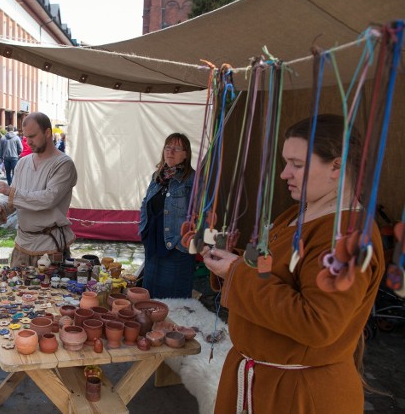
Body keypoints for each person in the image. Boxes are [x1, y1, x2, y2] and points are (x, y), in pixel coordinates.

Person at [201, 114, 384, 414]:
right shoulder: (297, 215)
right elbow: (272, 272)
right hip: (261, 382)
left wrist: (236, 272)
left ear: (337, 167)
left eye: (297, 165)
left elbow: (316, 322)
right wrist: (228, 257)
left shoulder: (348, 236)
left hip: (299, 397)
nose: (284, 174)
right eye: (286, 163)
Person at [0, 112, 78, 268]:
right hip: (22, 246)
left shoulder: (63, 164)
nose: (28, 142)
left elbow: (48, 199)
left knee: (49, 293)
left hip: (50, 247)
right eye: (25, 137)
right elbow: (16, 201)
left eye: (32, 136)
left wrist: (10, 192)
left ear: (47, 133)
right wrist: (1, 209)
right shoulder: (22, 163)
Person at [138, 133, 196, 298]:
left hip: (177, 249)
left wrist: (186, 245)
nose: (171, 151)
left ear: (186, 154)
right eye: (168, 147)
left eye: (177, 148)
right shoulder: (157, 176)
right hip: (154, 246)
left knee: (173, 302)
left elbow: (203, 215)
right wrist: (143, 230)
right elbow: (145, 204)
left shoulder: (193, 180)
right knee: (150, 297)